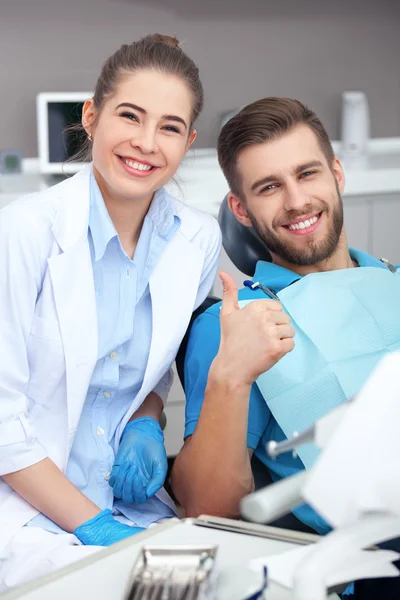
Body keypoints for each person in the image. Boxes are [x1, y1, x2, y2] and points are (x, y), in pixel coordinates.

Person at [0, 33, 221, 592]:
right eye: (130, 116)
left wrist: (148, 419)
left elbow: (151, 368)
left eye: (169, 127)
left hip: (134, 505)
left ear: (188, 140)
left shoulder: (196, 239)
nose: (147, 143)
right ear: (92, 117)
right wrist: (96, 527)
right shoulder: (24, 232)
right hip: (27, 512)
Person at [171, 96, 400, 597]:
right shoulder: (236, 322)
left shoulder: (394, 281)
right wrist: (231, 375)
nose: (296, 201)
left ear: (337, 174)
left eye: (308, 174)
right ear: (241, 209)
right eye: (269, 187)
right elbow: (206, 506)